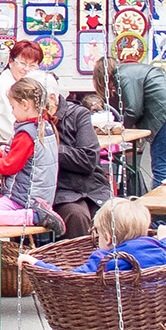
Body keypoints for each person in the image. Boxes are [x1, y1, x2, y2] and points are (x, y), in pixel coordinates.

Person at [92, 56, 166, 187]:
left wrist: (122, 128)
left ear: (104, 77)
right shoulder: (136, 69)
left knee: (163, 170)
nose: (112, 89)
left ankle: (160, 200)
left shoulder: (121, 75)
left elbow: (133, 110)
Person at [0, 78, 63, 235]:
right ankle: (34, 215)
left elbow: (8, 166)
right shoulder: (45, 127)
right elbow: (23, 156)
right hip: (40, 197)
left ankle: (34, 217)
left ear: (25, 105)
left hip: (25, 200)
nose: (12, 112)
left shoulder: (27, 133)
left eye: (13, 107)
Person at [22, 198, 166, 275]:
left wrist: (37, 263)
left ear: (108, 238)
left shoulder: (106, 260)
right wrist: (165, 238)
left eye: (97, 233)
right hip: (155, 308)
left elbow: (70, 277)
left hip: (114, 310)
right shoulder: (159, 248)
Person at [50, 86, 112, 238]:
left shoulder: (78, 114)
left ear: (52, 98)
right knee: (76, 216)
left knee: (112, 214)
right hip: (61, 190)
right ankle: (81, 254)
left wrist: (52, 150)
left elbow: (88, 159)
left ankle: (114, 254)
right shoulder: (33, 121)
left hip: (93, 186)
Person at [0, 40, 55, 144]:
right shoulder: (4, 87)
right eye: (22, 63)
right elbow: (10, 129)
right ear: (11, 62)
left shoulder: (19, 86)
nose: (27, 69)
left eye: (32, 65)